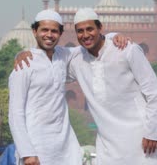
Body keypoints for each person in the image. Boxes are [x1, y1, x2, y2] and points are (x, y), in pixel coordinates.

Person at [15, 8, 157, 164]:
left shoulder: (126, 50)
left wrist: (152, 132)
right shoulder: (77, 60)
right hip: (108, 145)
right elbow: (47, 60)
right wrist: (22, 54)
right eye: (80, 31)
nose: (85, 35)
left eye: (90, 29)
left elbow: (153, 90)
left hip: (141, 137)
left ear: (100, 28)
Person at [8, 10, 128, 165]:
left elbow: (92, 41)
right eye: (44, 30)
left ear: (60, 34)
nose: (49, 35)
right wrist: (27, 153)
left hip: (65, 147)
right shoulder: (25, 65)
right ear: (34, 31)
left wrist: (114, 36)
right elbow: (15, 113)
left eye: (54, 31)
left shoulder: (63, 56)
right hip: (36, 146)